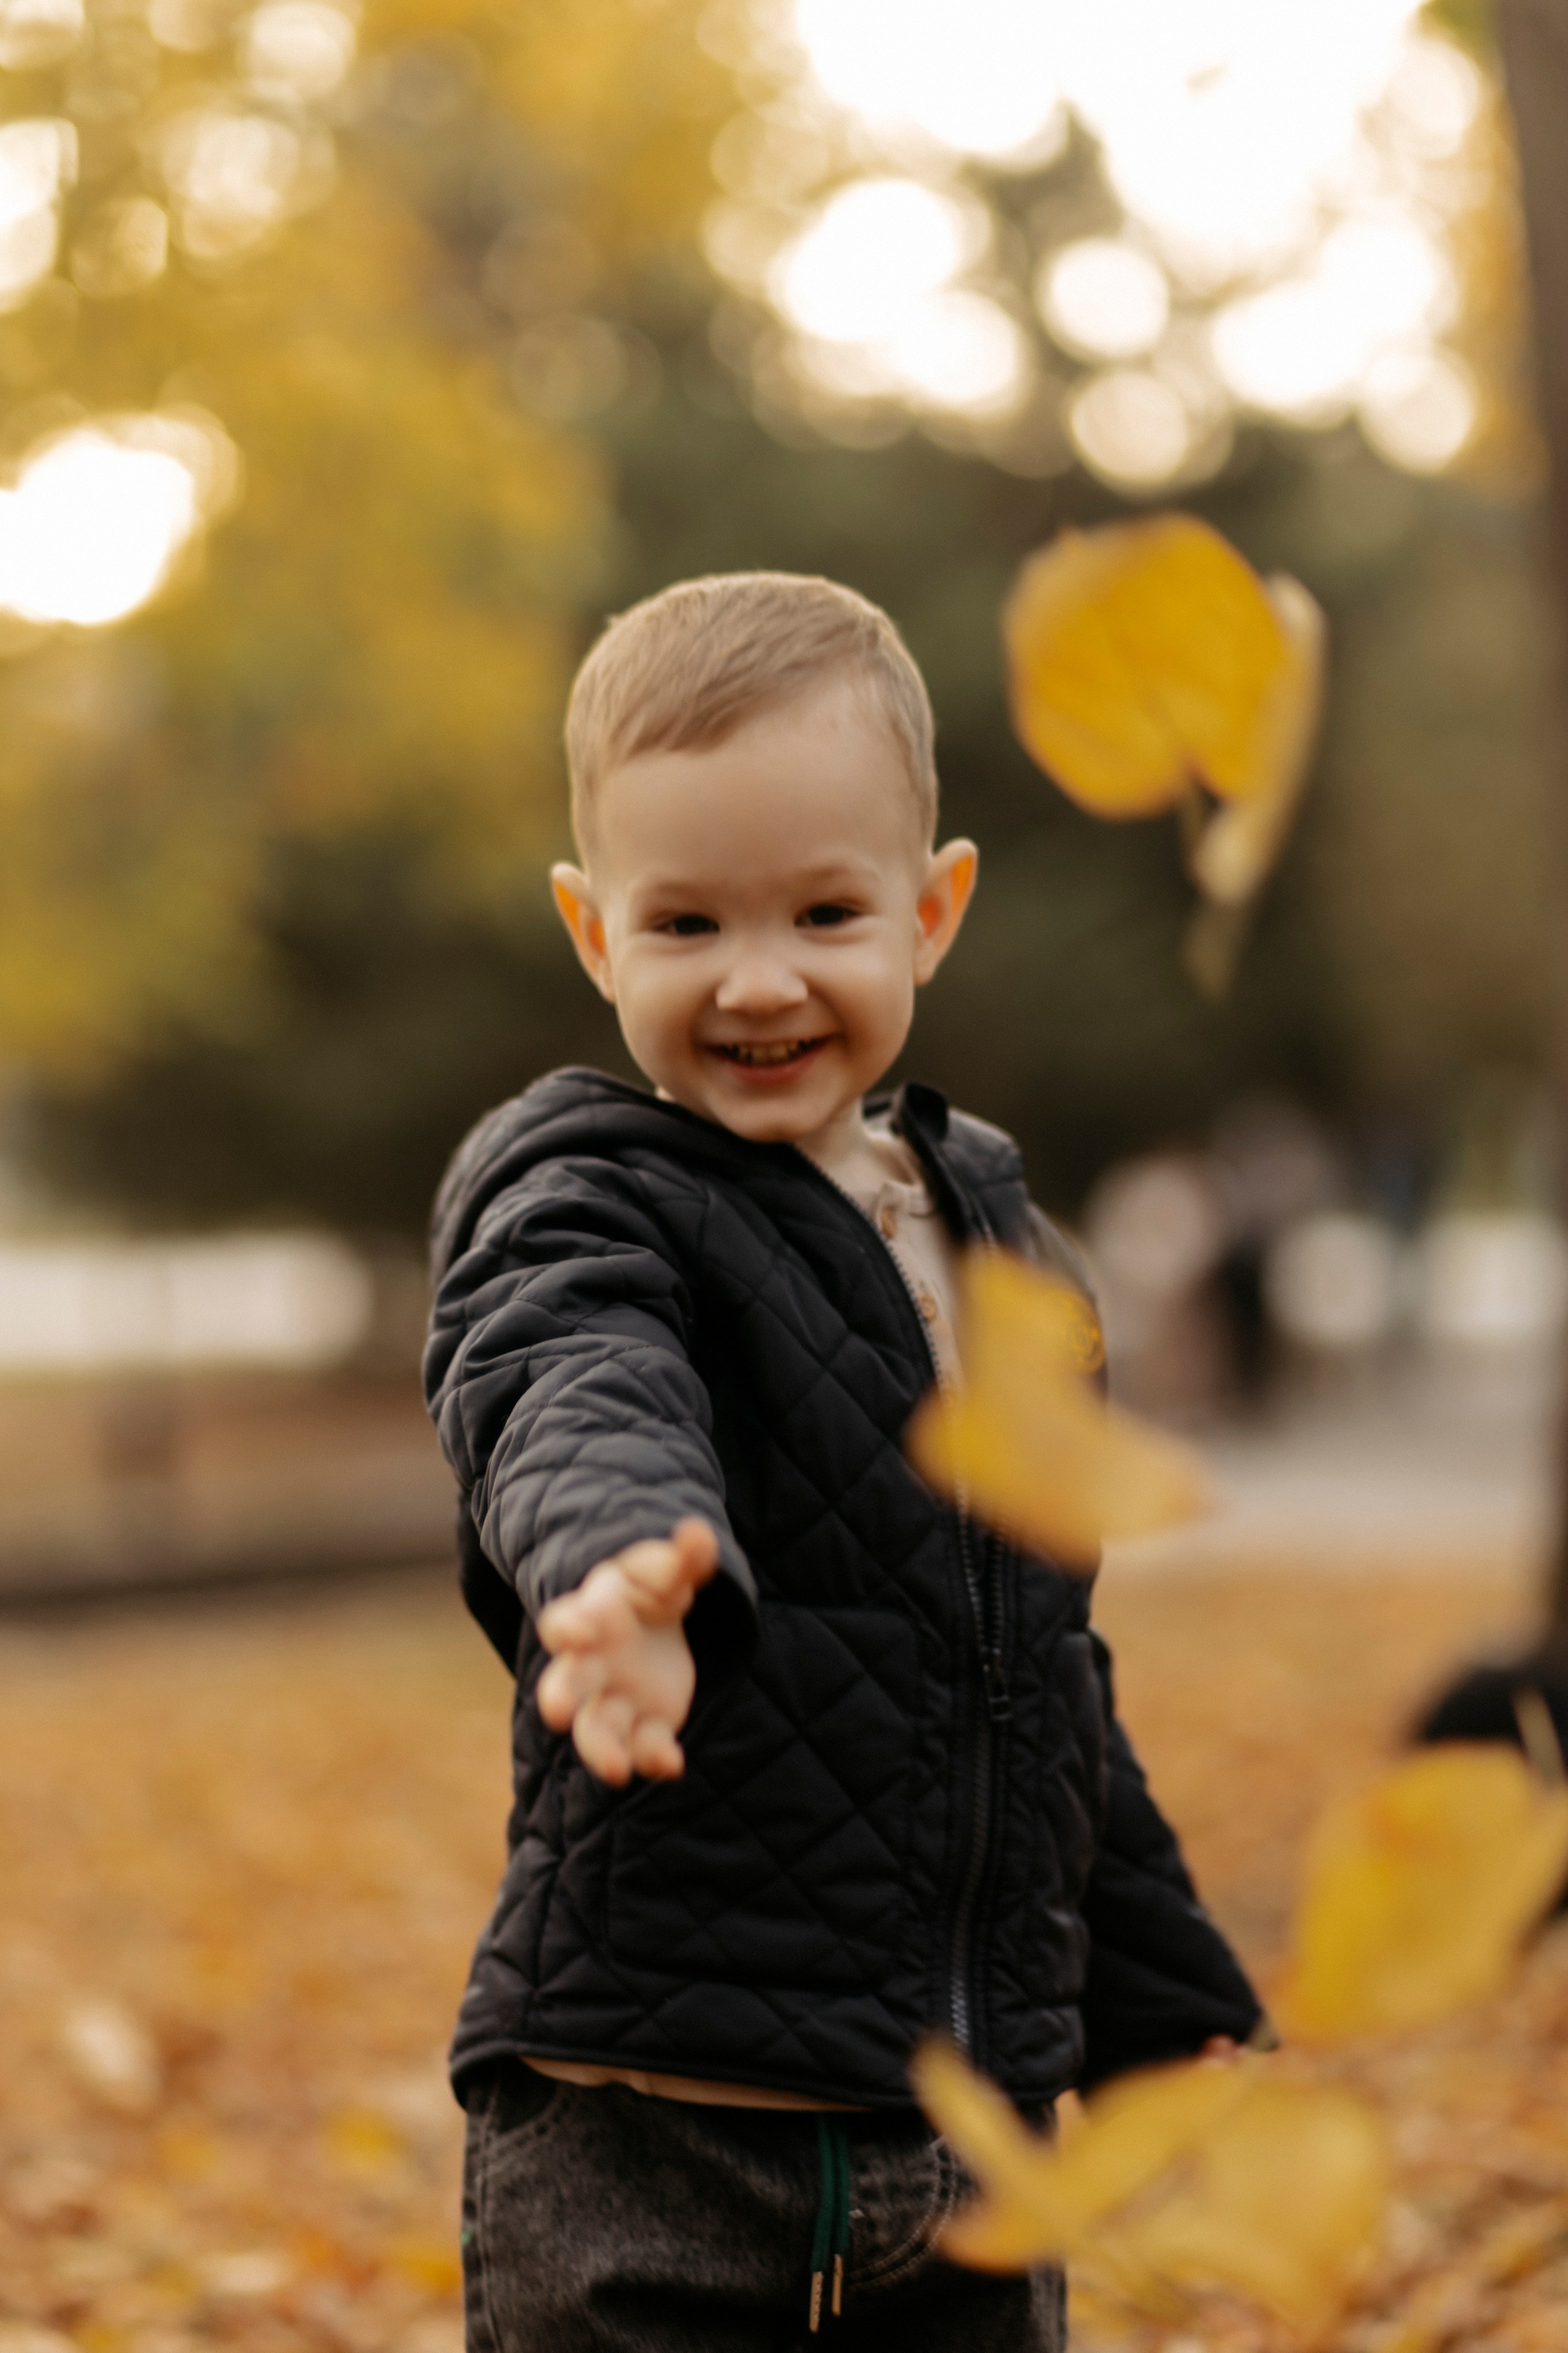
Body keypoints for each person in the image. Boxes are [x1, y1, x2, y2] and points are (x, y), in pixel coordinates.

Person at [423, 572, 1262, 2352]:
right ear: (594, 933)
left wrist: (1149, 1964)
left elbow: (1027, 1666)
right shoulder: (584, 1193)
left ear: (931, 908)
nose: (758, 979)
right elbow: (565, 1373)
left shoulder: (1002, 1256)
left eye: (823, 909)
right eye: (685, 923)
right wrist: (619, 1566)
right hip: (658, 2117)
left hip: (966, 2128)